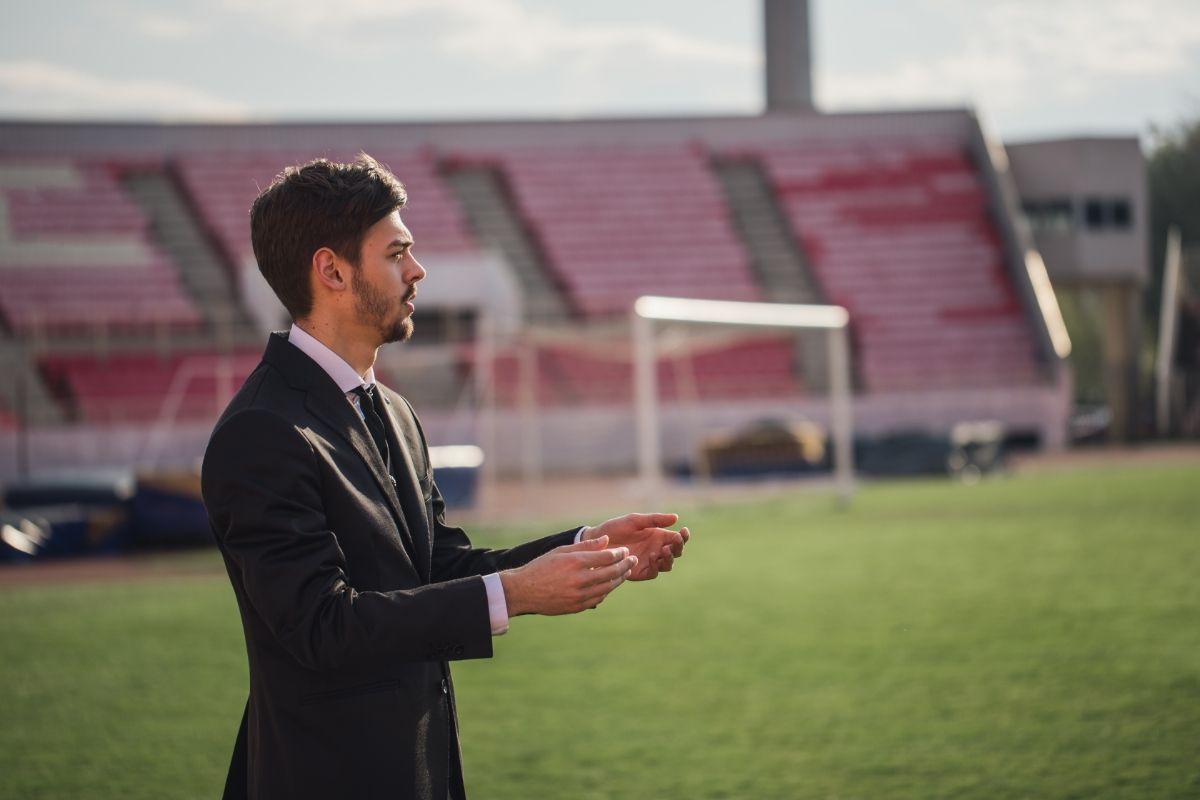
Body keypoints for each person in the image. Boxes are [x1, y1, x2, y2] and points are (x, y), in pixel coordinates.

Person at [201, 153, 689, 800]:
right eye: (397, 252)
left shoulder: (393, 411)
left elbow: (436, 565)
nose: (417, 270)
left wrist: (584, 548)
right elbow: (321, 626)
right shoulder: (262, 431)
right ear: (332, 270)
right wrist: (511, 594)